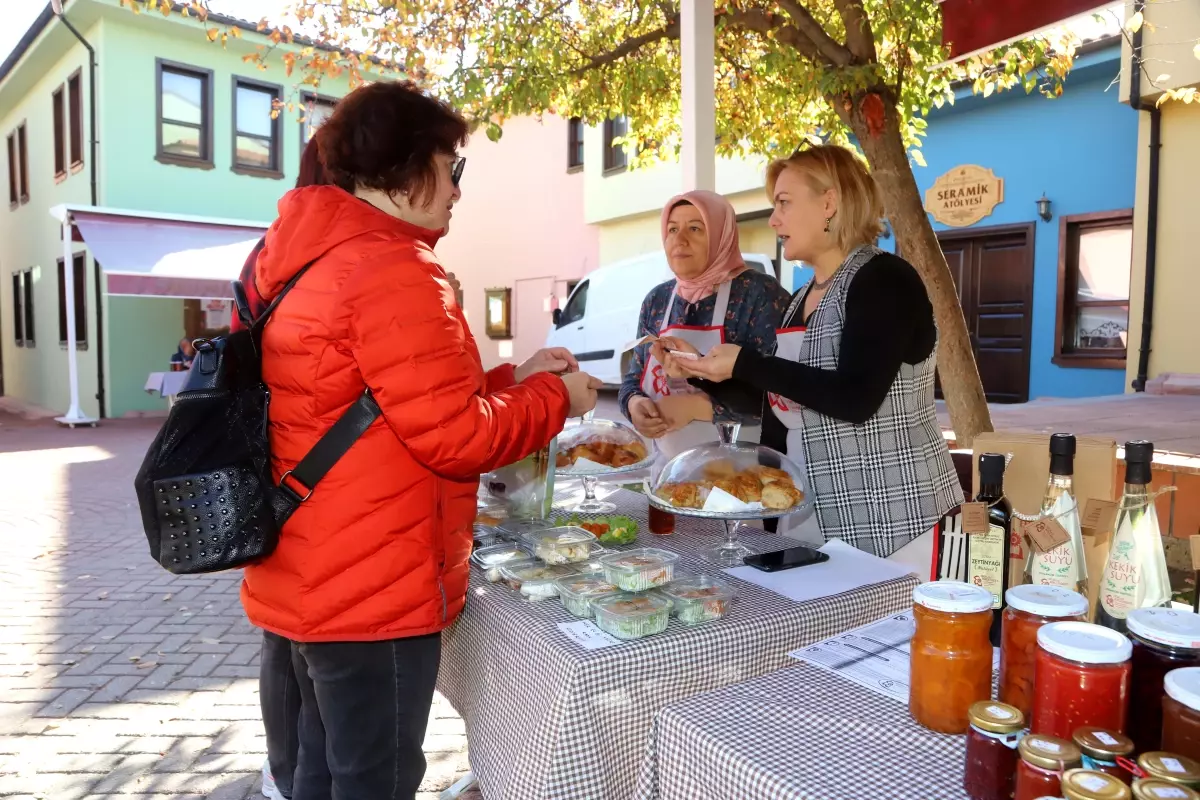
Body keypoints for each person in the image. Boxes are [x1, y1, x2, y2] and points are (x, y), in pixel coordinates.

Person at [242, 80, 601, 800]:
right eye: (452, 168)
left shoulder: (308, 258)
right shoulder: (391, 268)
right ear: (406, 173)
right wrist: (556, 397)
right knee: (372, 781)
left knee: (317, 774)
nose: (458, 192)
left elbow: (394, 399)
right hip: (370, 587)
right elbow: (457, 436)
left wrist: (515, 375)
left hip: (309, 568)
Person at [674, 144, 961, 569]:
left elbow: (855, 398)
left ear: (829, 202)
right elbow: (783, 404)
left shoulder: (883, 279)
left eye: (784, 204)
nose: (774, 220)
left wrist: (746, 363)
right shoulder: (801, 299)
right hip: (812, 517)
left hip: (895, 522)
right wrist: (703, 373)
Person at [617, 190, 790, 469]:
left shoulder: (759, 294)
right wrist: (634, 405)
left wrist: (697, 408)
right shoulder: (657, 301)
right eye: (672, 229)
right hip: (670, 475)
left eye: (695, 228)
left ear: (721, 236)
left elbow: (782, 394)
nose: (679, 239)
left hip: (746, 476)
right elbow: (633, 379)